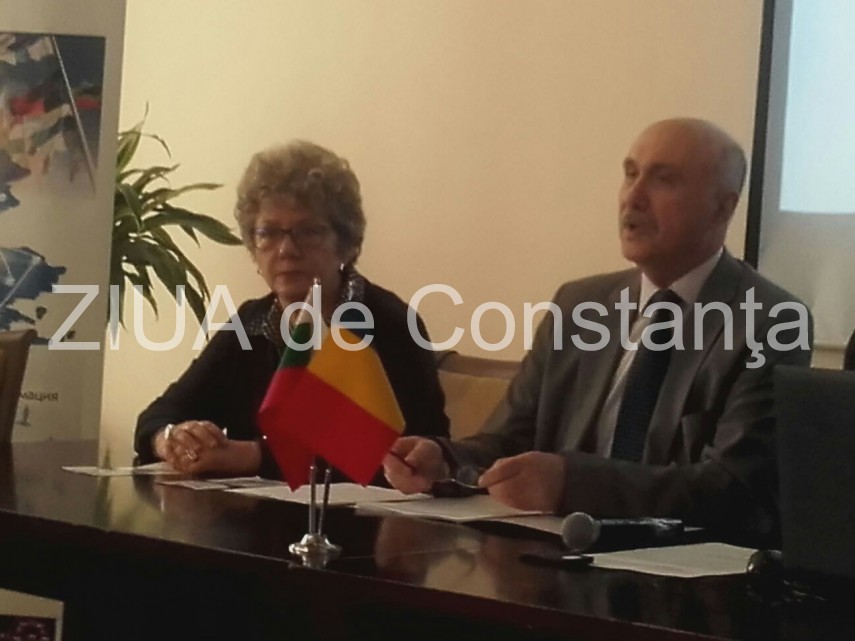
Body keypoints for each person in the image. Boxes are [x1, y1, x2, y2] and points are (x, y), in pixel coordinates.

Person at [383, 118, 812, 538]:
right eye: (630, 174)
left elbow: (735, 490)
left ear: (723, 207)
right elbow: (509, 442)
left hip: (680, 566)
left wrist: (574, 483)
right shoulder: (579, 304)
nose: (634, 197)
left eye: (663, 180)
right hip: (552, 553)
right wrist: (446, 461)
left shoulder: (772, 319)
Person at [136, 140, 449, 479]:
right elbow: (158, 415)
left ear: (346, 243)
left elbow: (392, 453)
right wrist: (172, 439)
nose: (286, 249)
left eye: (308, 232)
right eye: (268, 233)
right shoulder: (252, 322)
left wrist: (250, 457)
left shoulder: (389, 323)